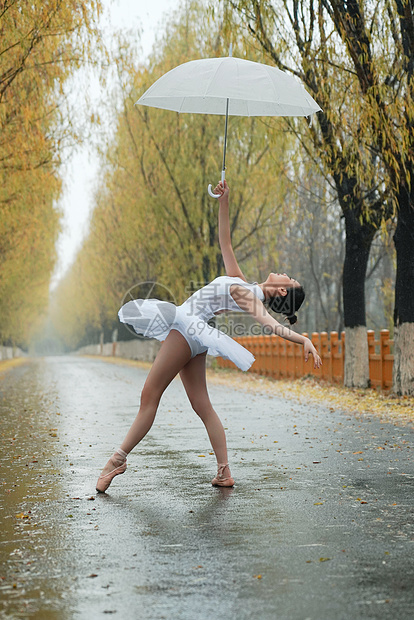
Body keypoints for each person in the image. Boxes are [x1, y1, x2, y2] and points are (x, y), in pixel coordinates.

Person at [96, 180, 322, 493]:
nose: (285, 271)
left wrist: (303, 340)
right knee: (202, 406)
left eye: (289, 277)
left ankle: (118, 458)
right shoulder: (242, 283)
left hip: (187, 328)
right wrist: (223, 200)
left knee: (149, 397)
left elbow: (270, 325)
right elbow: (225, 242)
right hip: (198, 335)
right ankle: (224, 471)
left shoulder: (248, 295)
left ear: (282, 290)